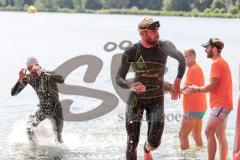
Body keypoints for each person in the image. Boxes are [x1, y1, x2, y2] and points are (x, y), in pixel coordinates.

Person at [116, 17, 186, 160]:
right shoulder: (131, 52)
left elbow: (181, 59)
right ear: (143, 33)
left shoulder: (165, 46)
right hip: (136, 100)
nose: (157, 33)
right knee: (131, 142)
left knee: (155, 142)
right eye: (153, 30)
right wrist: (131, 85)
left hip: (156, 99)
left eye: (157, 29)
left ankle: (147, 149)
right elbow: (118, 78)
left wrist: (178, 80)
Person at [184, 38, 232, 160]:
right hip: (222, 104)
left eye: (207, 47)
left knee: (208, 131)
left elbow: (212, 85)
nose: (205, 50)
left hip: (221, 104)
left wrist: (197, 89)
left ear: (215, 49)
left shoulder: (217, 63)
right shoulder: (221, 62)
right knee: (220, 135)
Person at [11, 57, 64, 144]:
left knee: (58, 136)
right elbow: (14, 93)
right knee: (29, 127)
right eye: (29, 69)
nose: (31, 70)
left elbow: (62, 79)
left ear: (38, 65)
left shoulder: (48, 74)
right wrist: (19, 79)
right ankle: (34, 148)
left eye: (32, 67)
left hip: (56, 109)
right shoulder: (29, 78)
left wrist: (43, 72)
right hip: (43, 108)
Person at [179, 49, 207, 150]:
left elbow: (187, 88)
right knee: (196, 135)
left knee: (182, 135)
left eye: (186, 56)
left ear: (193, 57)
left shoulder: (194, 69)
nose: (184, 59)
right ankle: (202, 155)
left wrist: (174, 89)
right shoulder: (195, 68)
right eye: (183, 56)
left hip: (193, 109)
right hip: (199, 108)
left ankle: (186, 158)